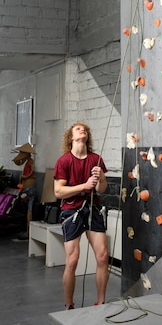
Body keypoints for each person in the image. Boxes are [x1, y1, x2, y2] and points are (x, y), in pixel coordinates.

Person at [54, 123, 108, 310]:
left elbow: (102, 189)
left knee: (102, 257)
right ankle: (69, 304)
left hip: (93, 208)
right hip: (71, 210)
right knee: (73, 260)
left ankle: (101, 302)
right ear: (71, 137)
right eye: (77, 129)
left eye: (84, 128)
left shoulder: (96, 159)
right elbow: (58, 192)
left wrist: (100, 178)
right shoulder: (64, 161)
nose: (82, 129)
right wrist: (83, 186)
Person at [12, 142, 36, 239]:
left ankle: (28, 230)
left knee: (29, 210)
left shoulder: (30, 161)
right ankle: (27, 230)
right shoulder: (27, 161)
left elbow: (31, 172)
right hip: (27, 187)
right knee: (26, 210)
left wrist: (24, 176)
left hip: (30, 188)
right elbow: (18, 161)